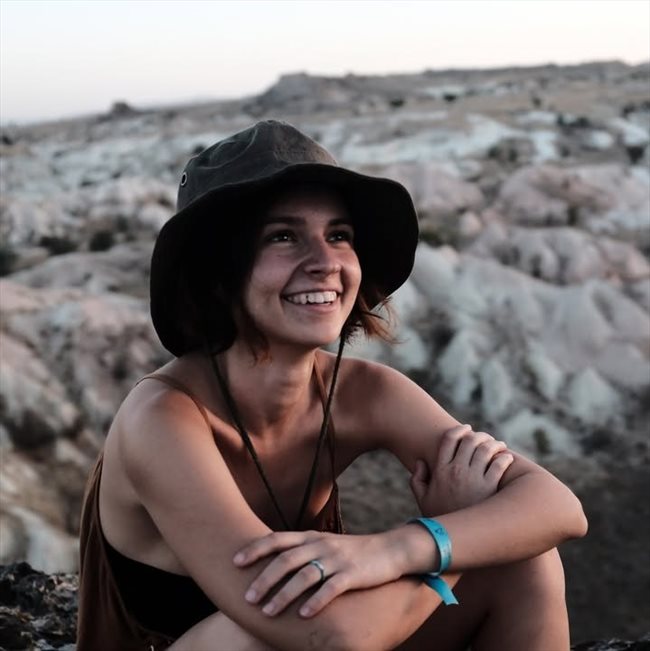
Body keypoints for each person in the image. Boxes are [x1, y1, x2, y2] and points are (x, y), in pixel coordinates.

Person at [76, 120, 588, 651]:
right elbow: (330, 634)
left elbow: (557, 506)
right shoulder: (163, 418)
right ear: (218, 272)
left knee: (525, 561)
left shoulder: (361, 392)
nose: (325, 263)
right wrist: (450, 540)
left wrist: (405, 546)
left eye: (338, 236)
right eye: (283, 236)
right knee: (256, 638)